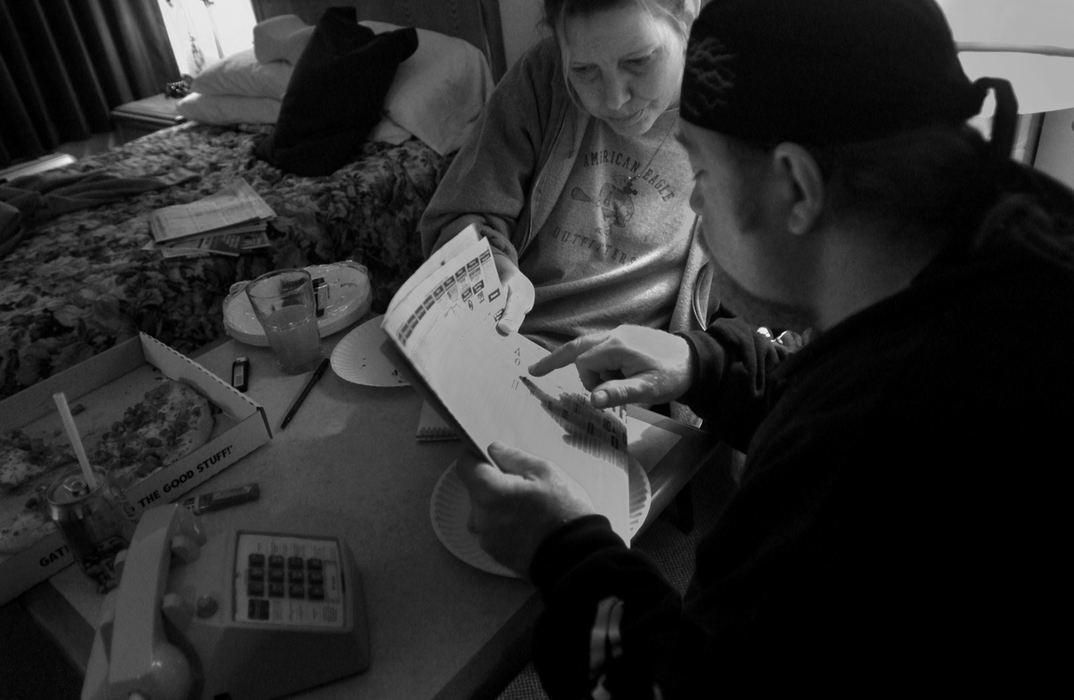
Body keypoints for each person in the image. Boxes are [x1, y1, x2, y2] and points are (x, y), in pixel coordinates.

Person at [457, 0, 1074, 695]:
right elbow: (836, 381)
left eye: (703, 173)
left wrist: (565, 552)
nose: (693, 206)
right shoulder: (1015, 241)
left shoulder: (861, 465)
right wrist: (706, 366)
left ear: (796, 185)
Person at [418, 0, 717, 356]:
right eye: (584, 70)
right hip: (508, 349)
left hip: (632, 383)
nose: (614, 99)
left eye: (638, 61)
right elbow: (455, 218)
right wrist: (490, 266)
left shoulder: (732, 116)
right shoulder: (543, 79)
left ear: (688, 13)